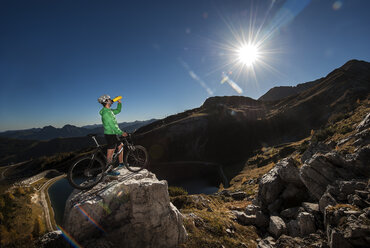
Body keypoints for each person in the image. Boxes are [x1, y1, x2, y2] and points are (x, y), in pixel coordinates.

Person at [98, 94, 128, 176]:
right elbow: (113, 126)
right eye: (109, 99)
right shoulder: (106, 113)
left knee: (120, 145)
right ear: (106, 101)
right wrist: (121, 133)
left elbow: (118, 111)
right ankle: (109, 170)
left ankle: (121, 163)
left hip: (113, 134)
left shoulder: (110, 111)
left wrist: (119, 103)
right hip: (110, 135)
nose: (111, 100)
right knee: (110, 153)